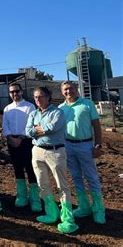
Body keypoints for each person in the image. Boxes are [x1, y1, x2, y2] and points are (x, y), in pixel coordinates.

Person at [26, 86, 78, 234]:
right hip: (37, 151)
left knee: (62, 184)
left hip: (55, 151)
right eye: (35, 97)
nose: (37, 99)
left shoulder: (58, 112)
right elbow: (28, 131)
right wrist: (40, 129)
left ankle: (67, 218)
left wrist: (38, 129)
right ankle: (51, 212)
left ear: (48, 97)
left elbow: (53, 127)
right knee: (43, 183)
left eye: (40, 96)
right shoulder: (33, 113)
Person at [59, 81, 105, 224]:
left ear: (76, 89)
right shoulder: (60, 108)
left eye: (71, 89)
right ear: (62, 92)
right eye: (65, 89)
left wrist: (97, 145)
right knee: (76, 176)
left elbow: (96, 125)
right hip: (68, 145)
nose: (68, 92)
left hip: (85, 145)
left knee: (91, 176)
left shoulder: (87, 104)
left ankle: (98, 209)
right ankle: (84, 206)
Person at [3, 82, 41, 211]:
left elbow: (33, 125)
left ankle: (35, 198)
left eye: (17, 91)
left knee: (30, 168)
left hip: (26, 141)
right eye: (12, 92)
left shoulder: (30, 107)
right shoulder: (7, 109)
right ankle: (22, 195)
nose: (15, 94)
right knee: (17, 168)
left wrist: (20, 138)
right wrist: (10, 137)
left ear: (21, 91)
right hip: (12, 141)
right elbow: (5, 125)